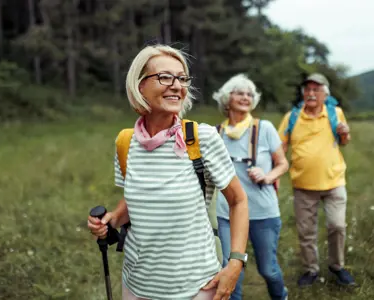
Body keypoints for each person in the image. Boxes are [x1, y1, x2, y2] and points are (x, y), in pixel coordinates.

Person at [87, 44, 250, 300]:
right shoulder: (126, 142)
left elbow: (238, 201)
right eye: (165, 77)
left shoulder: (202, 138)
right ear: (140, 86)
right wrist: (111, 219)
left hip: (196, 287)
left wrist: (236, 263)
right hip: (136, 284)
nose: (176, 85)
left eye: (182, 78)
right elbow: (135, 199)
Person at [213, 74, 289, 300]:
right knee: (230, 271)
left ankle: (280, 296)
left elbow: (283, 163)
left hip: (262, 212)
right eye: (239, 92)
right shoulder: (216, 134)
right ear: (227, 99)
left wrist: (267, 176)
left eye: (249, 94)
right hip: (227, 214)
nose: (245, 97)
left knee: (268, 269)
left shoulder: (264, 128)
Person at [277, 73, 355, 287]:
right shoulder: (292, 117)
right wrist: (274, 172)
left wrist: (345, 133)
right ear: (303, 93)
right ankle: (311, 270)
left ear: (324, 94)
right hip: (303, 185)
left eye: (316, 89)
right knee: (306, 231)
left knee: (337, 226)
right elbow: (280, 147)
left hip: (334, 181)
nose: (311, 93)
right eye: (308, 89)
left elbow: (344, 140)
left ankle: (337, 266)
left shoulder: (335, 112)